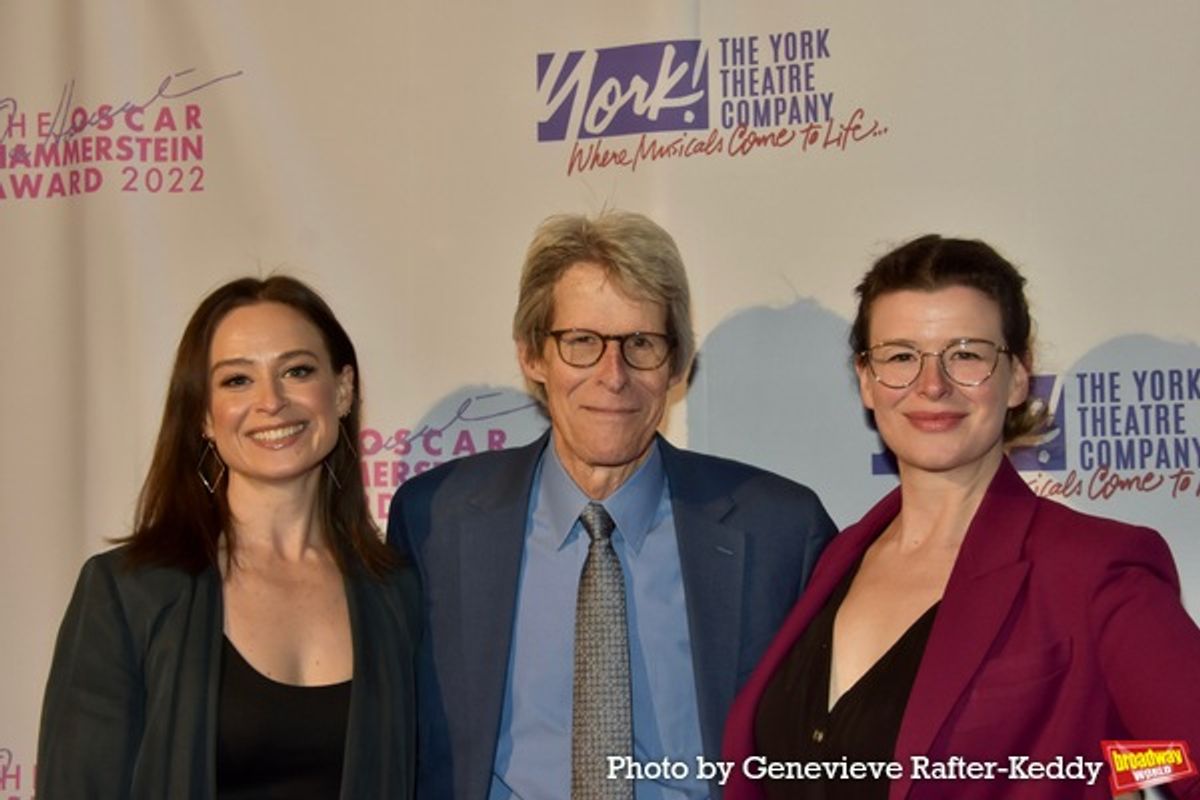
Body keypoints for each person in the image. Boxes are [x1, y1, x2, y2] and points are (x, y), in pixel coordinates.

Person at [720, 235, 1200, 799]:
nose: (932, 385)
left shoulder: (1094, 571)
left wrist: (1104, 771)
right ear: (867, 381)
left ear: (1017, 376)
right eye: (901, 356)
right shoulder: (834, 559)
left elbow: (1180, 754)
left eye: (966, 354)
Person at [387, 210, 837, 800]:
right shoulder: (435, 522)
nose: (613, 375)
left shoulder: (781, 532)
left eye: (641, 344)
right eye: (582, 342)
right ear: (532, 356)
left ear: (677, 364)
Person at [37, 276, 418, 799]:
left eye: (297, 371)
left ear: (343, 390)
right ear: (203, 416)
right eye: (238, 380)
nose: (271, 401)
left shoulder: (397, 594)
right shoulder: (127, 594)